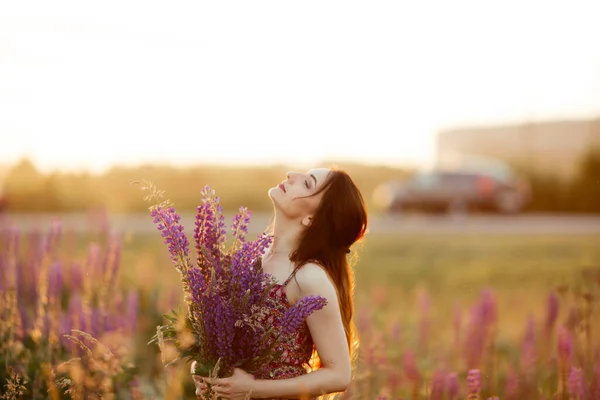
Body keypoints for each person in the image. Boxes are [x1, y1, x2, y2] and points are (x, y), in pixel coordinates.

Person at [191, 167, 368, 399]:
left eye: (307, 184)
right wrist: (202, 371)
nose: (291, 174)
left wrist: (253, 389)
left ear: (311, 218)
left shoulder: (308, 276)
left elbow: (339, 375)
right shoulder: (251, 260)